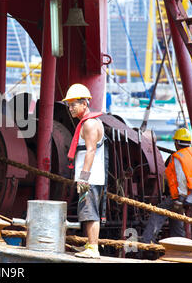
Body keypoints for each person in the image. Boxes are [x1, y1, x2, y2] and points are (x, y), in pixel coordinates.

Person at [141, 128, 192, 243]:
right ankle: (178, 240)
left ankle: (147, 240)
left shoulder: (177, 157)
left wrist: (180, 200)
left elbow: (181, 180)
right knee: (175, 214)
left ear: (176, 143)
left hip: (185, 196)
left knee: (159, 211)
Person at [63, 83, 105, 259]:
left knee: (90, 212)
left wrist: (84, 178)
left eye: (73, 104)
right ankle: (90, 243)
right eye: (69, 104)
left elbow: (91, 151)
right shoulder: (90, 122)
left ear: (84, 104)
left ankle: (93, 248)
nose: (70, 108)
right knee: (87, 211)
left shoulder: (88, 124)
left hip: (90, 177)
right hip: (91, 176)